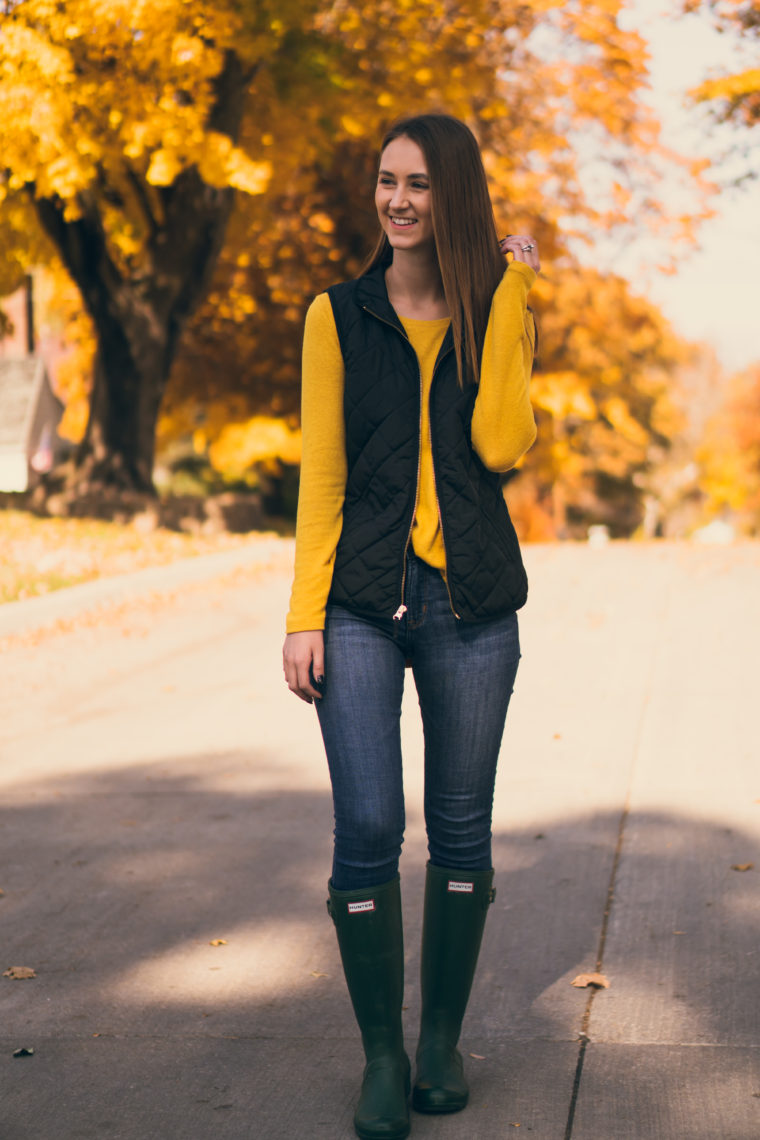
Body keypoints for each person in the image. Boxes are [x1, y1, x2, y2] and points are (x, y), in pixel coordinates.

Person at [283, 112, 539, 1140]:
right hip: (358, 609)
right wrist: (303, 617)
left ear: (454, 198)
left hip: (470, 607)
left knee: (463, 831)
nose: (397, 200)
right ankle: (381, 1056)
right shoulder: (334, 317)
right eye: (387, 181)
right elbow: (323, 479)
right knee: (370, 829)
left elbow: (503, 442)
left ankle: (439, 1042)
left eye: (420, 184)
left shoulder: (491, 310)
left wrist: (515, 300)